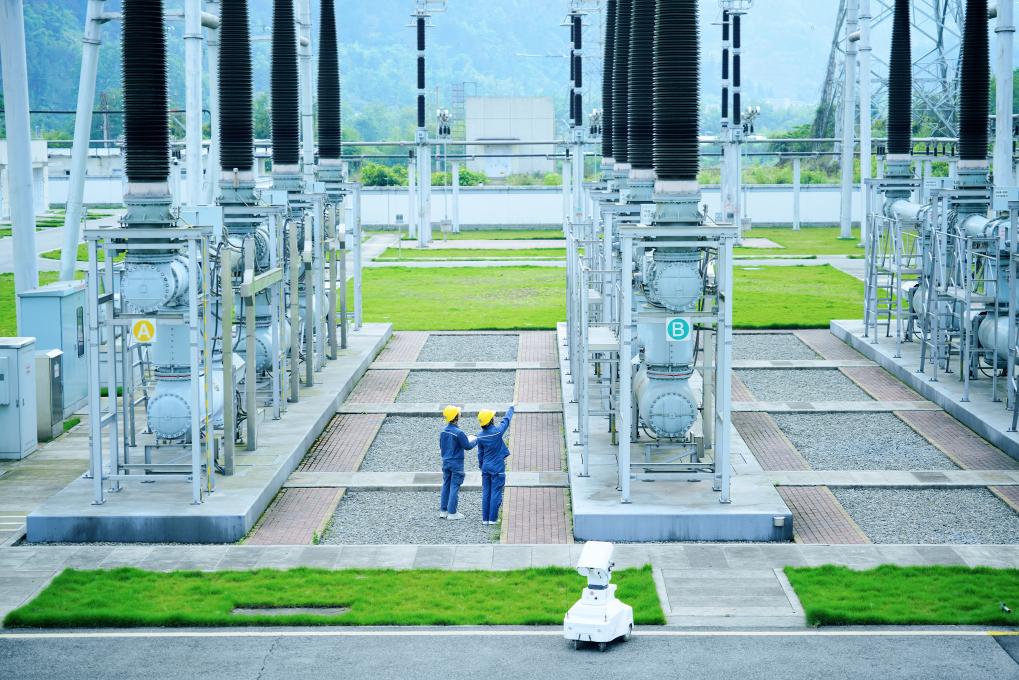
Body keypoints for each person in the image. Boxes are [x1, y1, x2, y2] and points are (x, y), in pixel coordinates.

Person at [476, 404, 515, 525]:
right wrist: (511, 408)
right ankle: (493, 519)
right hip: (497, 467)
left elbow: (480, 453)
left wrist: (481, 465)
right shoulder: (497, 432)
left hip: (486, 467)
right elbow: (506, 421)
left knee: (486, 492)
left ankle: (485, 519)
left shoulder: (480, 435)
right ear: (491, 420)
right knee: (496, 492)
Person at [439, 405, 477, 520]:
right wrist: (475, 439)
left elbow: (441, 446)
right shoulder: (459, 433)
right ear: (456, 417)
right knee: (455, 486)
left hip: (446, 462)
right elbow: (467, 446)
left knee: (446, 484)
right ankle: (452, 512)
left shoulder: (443, 431)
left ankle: (443, 511)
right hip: (456, 464)